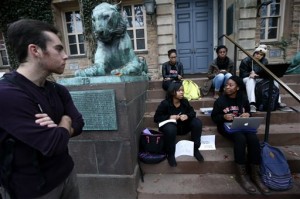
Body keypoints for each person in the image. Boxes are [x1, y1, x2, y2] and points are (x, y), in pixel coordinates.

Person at [0, 19, 84, 199]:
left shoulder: (57, 89)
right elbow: (53, 144)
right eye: (59, 49)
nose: (66, 55)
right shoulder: (7, 94)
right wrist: (65, 120)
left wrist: (62, 124)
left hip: (67, 175)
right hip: (32, 190)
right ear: (35, 50)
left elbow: (79, 122)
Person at [211, 76, 270, 195]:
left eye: (230, 85)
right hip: (226, 126)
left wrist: (247, 114)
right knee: (240, 138)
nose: (227, 87)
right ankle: (241, 175)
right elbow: (214, 117)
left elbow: (248, 111)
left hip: (242, 124)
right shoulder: (220, 101)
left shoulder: (242, 98)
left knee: (253, 138)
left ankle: (255, 174)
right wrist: (223, 117)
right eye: (226, 85)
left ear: (237, 88)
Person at [154, 81, 204, 167]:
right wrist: (169, 117)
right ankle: (170, 154)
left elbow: (192, 113)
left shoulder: (184, 101)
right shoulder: (165, 104)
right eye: (179, 90)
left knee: (197, 122)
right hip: (171, 130)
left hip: (183, 127)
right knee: (170, 128)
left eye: (183, 90)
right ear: (172, 92)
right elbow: (156, 118)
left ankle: (195, 149)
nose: (182, 92)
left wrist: (187, 116)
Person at [239, 44, 285, 113]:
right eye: (257, 53)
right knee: (251, 80)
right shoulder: (246, 60)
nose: (258, 55)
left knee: (275, 80)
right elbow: (242, 74)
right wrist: (249, 74)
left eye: (261, 55)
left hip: (259, 78)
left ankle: (278, 101)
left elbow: (264, 72)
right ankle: (252, 103)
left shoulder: (264, 61)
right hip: (247, 79)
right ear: (254, 53)